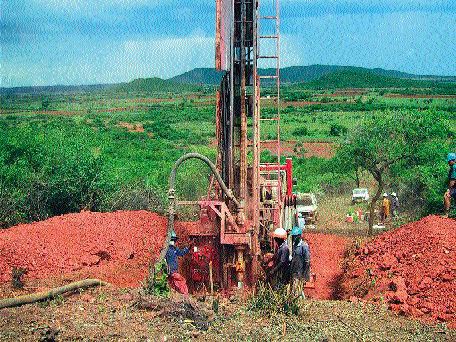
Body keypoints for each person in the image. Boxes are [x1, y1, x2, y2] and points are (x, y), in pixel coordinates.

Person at [165, 231, 189, 295]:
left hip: (172, 271)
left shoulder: (174, 249)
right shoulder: (166, 250)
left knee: (172, 285)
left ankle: (174, 297)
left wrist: (187, 248)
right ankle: (185, 296)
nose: (173, 241)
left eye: (173, 240)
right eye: (172, 239)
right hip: (171, 272)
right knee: (182, 281)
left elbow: (181, 253)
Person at [290, 226, 310, 298]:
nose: (294, 238)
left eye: (295, 236)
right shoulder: (294, 245)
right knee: (296, 291)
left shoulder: (304, 246)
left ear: (299, 236)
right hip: (294, 272)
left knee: (295, 293)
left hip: (300, 273)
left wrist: (304, 276)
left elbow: (307, 262)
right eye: (293, 236)